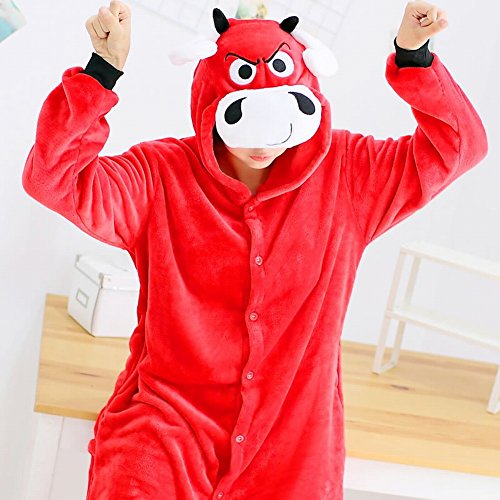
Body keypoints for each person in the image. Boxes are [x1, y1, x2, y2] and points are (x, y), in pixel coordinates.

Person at [21, 1, 488, 499]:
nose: (262, 144)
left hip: (292, 452)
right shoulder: (160, 176)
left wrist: (415, 59)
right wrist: (102, 71)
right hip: (166, 434)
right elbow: (54, 179)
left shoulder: (349, 174)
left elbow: (459, 146)